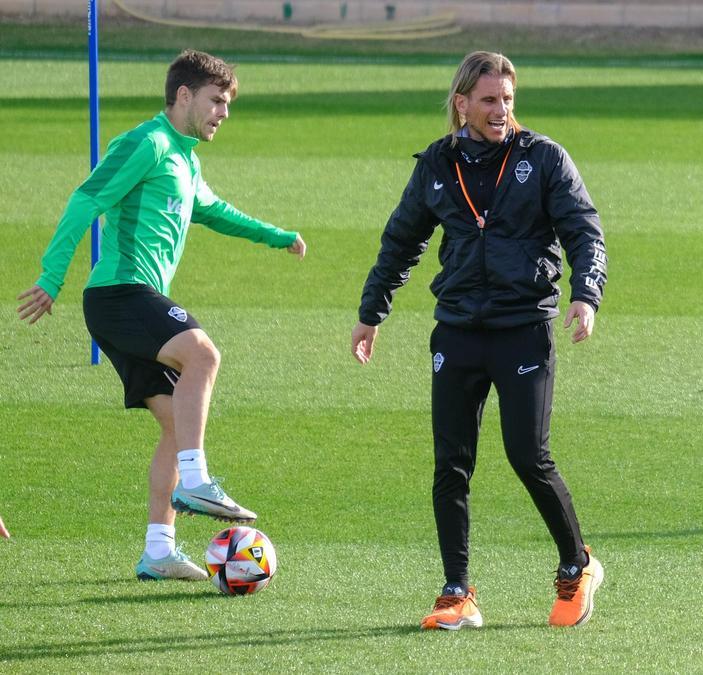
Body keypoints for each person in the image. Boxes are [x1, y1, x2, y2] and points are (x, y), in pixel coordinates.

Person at [18, 49, 306, 581]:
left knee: (177, 424)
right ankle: (196, 481)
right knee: (203, 354)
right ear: (183, 95)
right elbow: (85, 201)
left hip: (131, 300)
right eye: (217, 101)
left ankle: (159, 549)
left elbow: (216, 212)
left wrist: (278, 237)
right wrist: (51, 277)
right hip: (118, 294)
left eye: (227, 103)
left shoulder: (187, 158)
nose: (224, 112)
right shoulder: (146, 143)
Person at [351, 51, 608, 630]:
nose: (501, 111)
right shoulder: (437, 165)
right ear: (461, 103)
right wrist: (372, 312)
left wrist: (586, 296)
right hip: (459, 329)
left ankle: (577, 565)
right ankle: (456, 592)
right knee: (451, 465)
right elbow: (401, 241)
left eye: (508, 100)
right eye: (489, 100)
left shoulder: (543, 159)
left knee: (527, 455)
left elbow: (584, 232)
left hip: (524, 328)